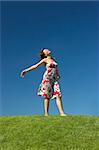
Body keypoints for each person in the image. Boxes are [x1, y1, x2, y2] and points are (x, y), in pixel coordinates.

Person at [20, 48, 66, 116]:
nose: (48, 50)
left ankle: (62, 113)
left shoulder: (53, 60)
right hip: (47, 79)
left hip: (54, 79)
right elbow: (35, 66)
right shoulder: (45, 60)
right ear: (45, 54)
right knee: (47, 96)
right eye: (46, 50)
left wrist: (58, 75)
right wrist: (26, 71)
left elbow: (56, 69)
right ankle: (46, 114)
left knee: (58, 95)